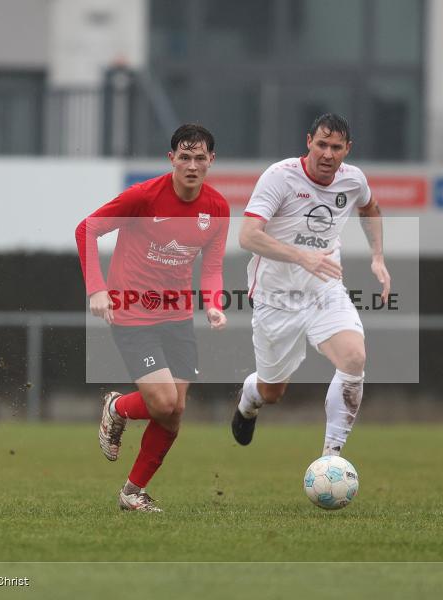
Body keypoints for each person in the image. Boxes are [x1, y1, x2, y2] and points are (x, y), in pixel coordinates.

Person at [75, 124, 229, 512]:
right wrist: (96, 288)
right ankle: (118, 408)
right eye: (184, 157)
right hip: (132, 312)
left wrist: (213, 303)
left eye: (199, 158)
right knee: (161, 403)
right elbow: (87, 229)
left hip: (177, 314)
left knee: (175, 411)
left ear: (211, 161)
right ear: (171, 159)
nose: (191, 165)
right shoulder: (144, 196)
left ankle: (132, 492)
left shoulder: (217, 208)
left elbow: (211, 268)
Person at [230, 113, 390, 458]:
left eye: (336, 147)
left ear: (347, 149)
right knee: (273, 392)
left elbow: (371, 207)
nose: (327, 154)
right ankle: (249, 400)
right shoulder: (279, 177)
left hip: (324, 290)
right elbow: (247, 236)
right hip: (276, 298)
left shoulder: (353, 180)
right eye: (321, 145)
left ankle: (332, 458)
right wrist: (302, 257)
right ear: (308, 142)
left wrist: (377, 257)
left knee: (354, 356)